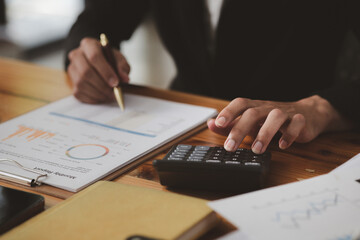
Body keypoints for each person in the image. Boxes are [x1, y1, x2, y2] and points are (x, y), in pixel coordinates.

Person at [65, 0, 359, 154]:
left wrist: (322, 109)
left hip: (298, 139)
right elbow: (100, 17)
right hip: (183, 128)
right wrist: (84, 51)